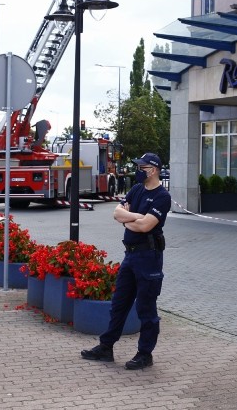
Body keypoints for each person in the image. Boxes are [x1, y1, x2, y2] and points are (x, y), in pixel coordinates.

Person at [81, 152, 171, 370]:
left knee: (146, 307)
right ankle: (106, 347)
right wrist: (137, 217)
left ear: (154, 169)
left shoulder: (162, 196)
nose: (139, 171)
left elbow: (145, 226)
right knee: (119, 303)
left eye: (143, 167)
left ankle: (144, 354)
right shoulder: (137, 189)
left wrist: (131, 219)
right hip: (130, 255)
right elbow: (116, 213)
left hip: (148, 257)